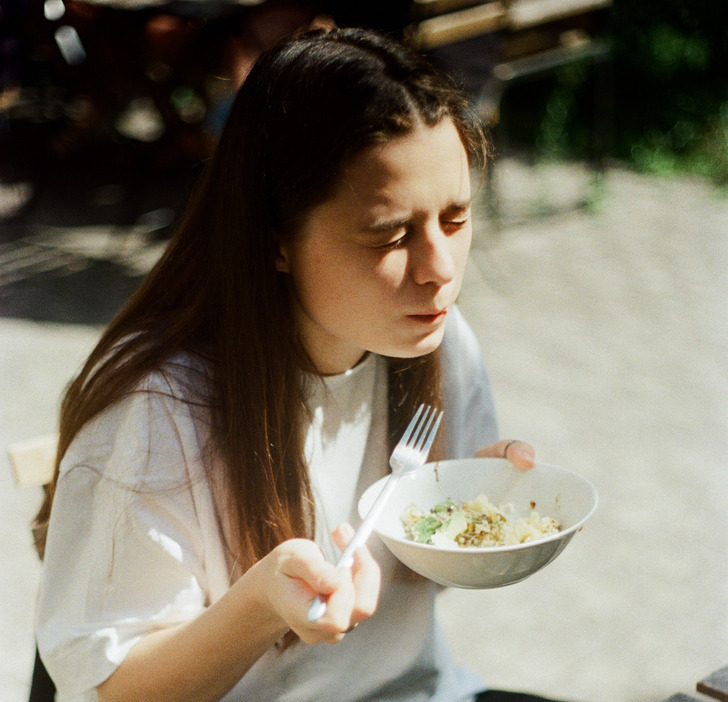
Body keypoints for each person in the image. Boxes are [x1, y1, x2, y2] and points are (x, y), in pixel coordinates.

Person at [34, 27, 560, 702]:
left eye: (454, 220)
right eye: (392, 234)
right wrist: (259, 604)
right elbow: (108, 692)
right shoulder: (157, 413)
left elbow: (417, 565)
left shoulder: (436, 342)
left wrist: (470, 508)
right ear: (276, 239)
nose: (439, 271)